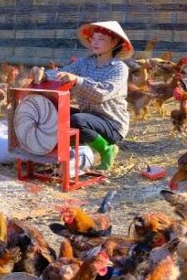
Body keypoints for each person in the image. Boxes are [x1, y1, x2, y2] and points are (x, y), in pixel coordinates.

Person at [32, 20, 132, 170]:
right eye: (94, 38)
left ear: (114, 42)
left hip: (111, 123)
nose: (95, 42)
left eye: (101, 39)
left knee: (77, 119)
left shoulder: (119, 68)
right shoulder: (85, 63)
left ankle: (107, 149)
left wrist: (77, 80)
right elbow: (63, 72)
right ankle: (54, 152)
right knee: (54, 112)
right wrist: (44, 75)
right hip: (90, 116)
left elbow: (102, 93)